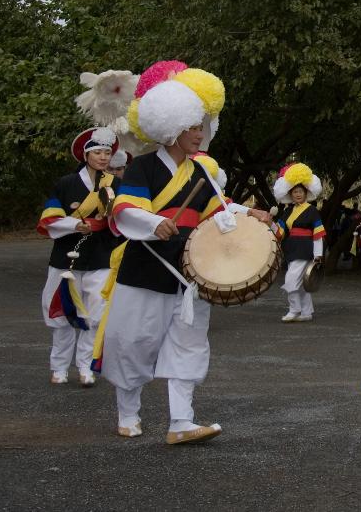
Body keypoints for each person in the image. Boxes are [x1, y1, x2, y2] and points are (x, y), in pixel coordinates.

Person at [102, 60, 273, 443]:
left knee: (188, 343)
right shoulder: (143, 168)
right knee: (134, 342)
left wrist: (252, 214)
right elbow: (125, 209)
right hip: (145, 267)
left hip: (186, 272)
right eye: (194, 127)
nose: (201, 134)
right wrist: (152, 224)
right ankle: (128, 411)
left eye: (202, 126)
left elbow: (220, 208)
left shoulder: (200, 173)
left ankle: (181, 420)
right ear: (173, 127)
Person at [37, 126, 123, 387]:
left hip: (100, 255)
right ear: (86, 155)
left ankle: (86, 366)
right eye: (97, 151)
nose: (103, 157)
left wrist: (110, 219)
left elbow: (122, 219)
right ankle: (59, 366)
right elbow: (50, 219)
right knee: (62, 313)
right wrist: (74, 225)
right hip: (68, 256)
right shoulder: (66, 184)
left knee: (95, 314)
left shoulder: (115, 184)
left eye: (107, 152)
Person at [272, 162, 325, 322]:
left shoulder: (312, 210)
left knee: (290, 280)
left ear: (306, 192)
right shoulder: (287, 211)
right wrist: (269, 222)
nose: (298, 194)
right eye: (295, 191)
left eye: (300, 191)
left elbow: (318, 234)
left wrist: (318, 254)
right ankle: (306, 312)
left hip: (306, 249)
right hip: (292, 249)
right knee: (302, 284)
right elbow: (280, 232)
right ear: (291, 194)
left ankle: (294, 310)